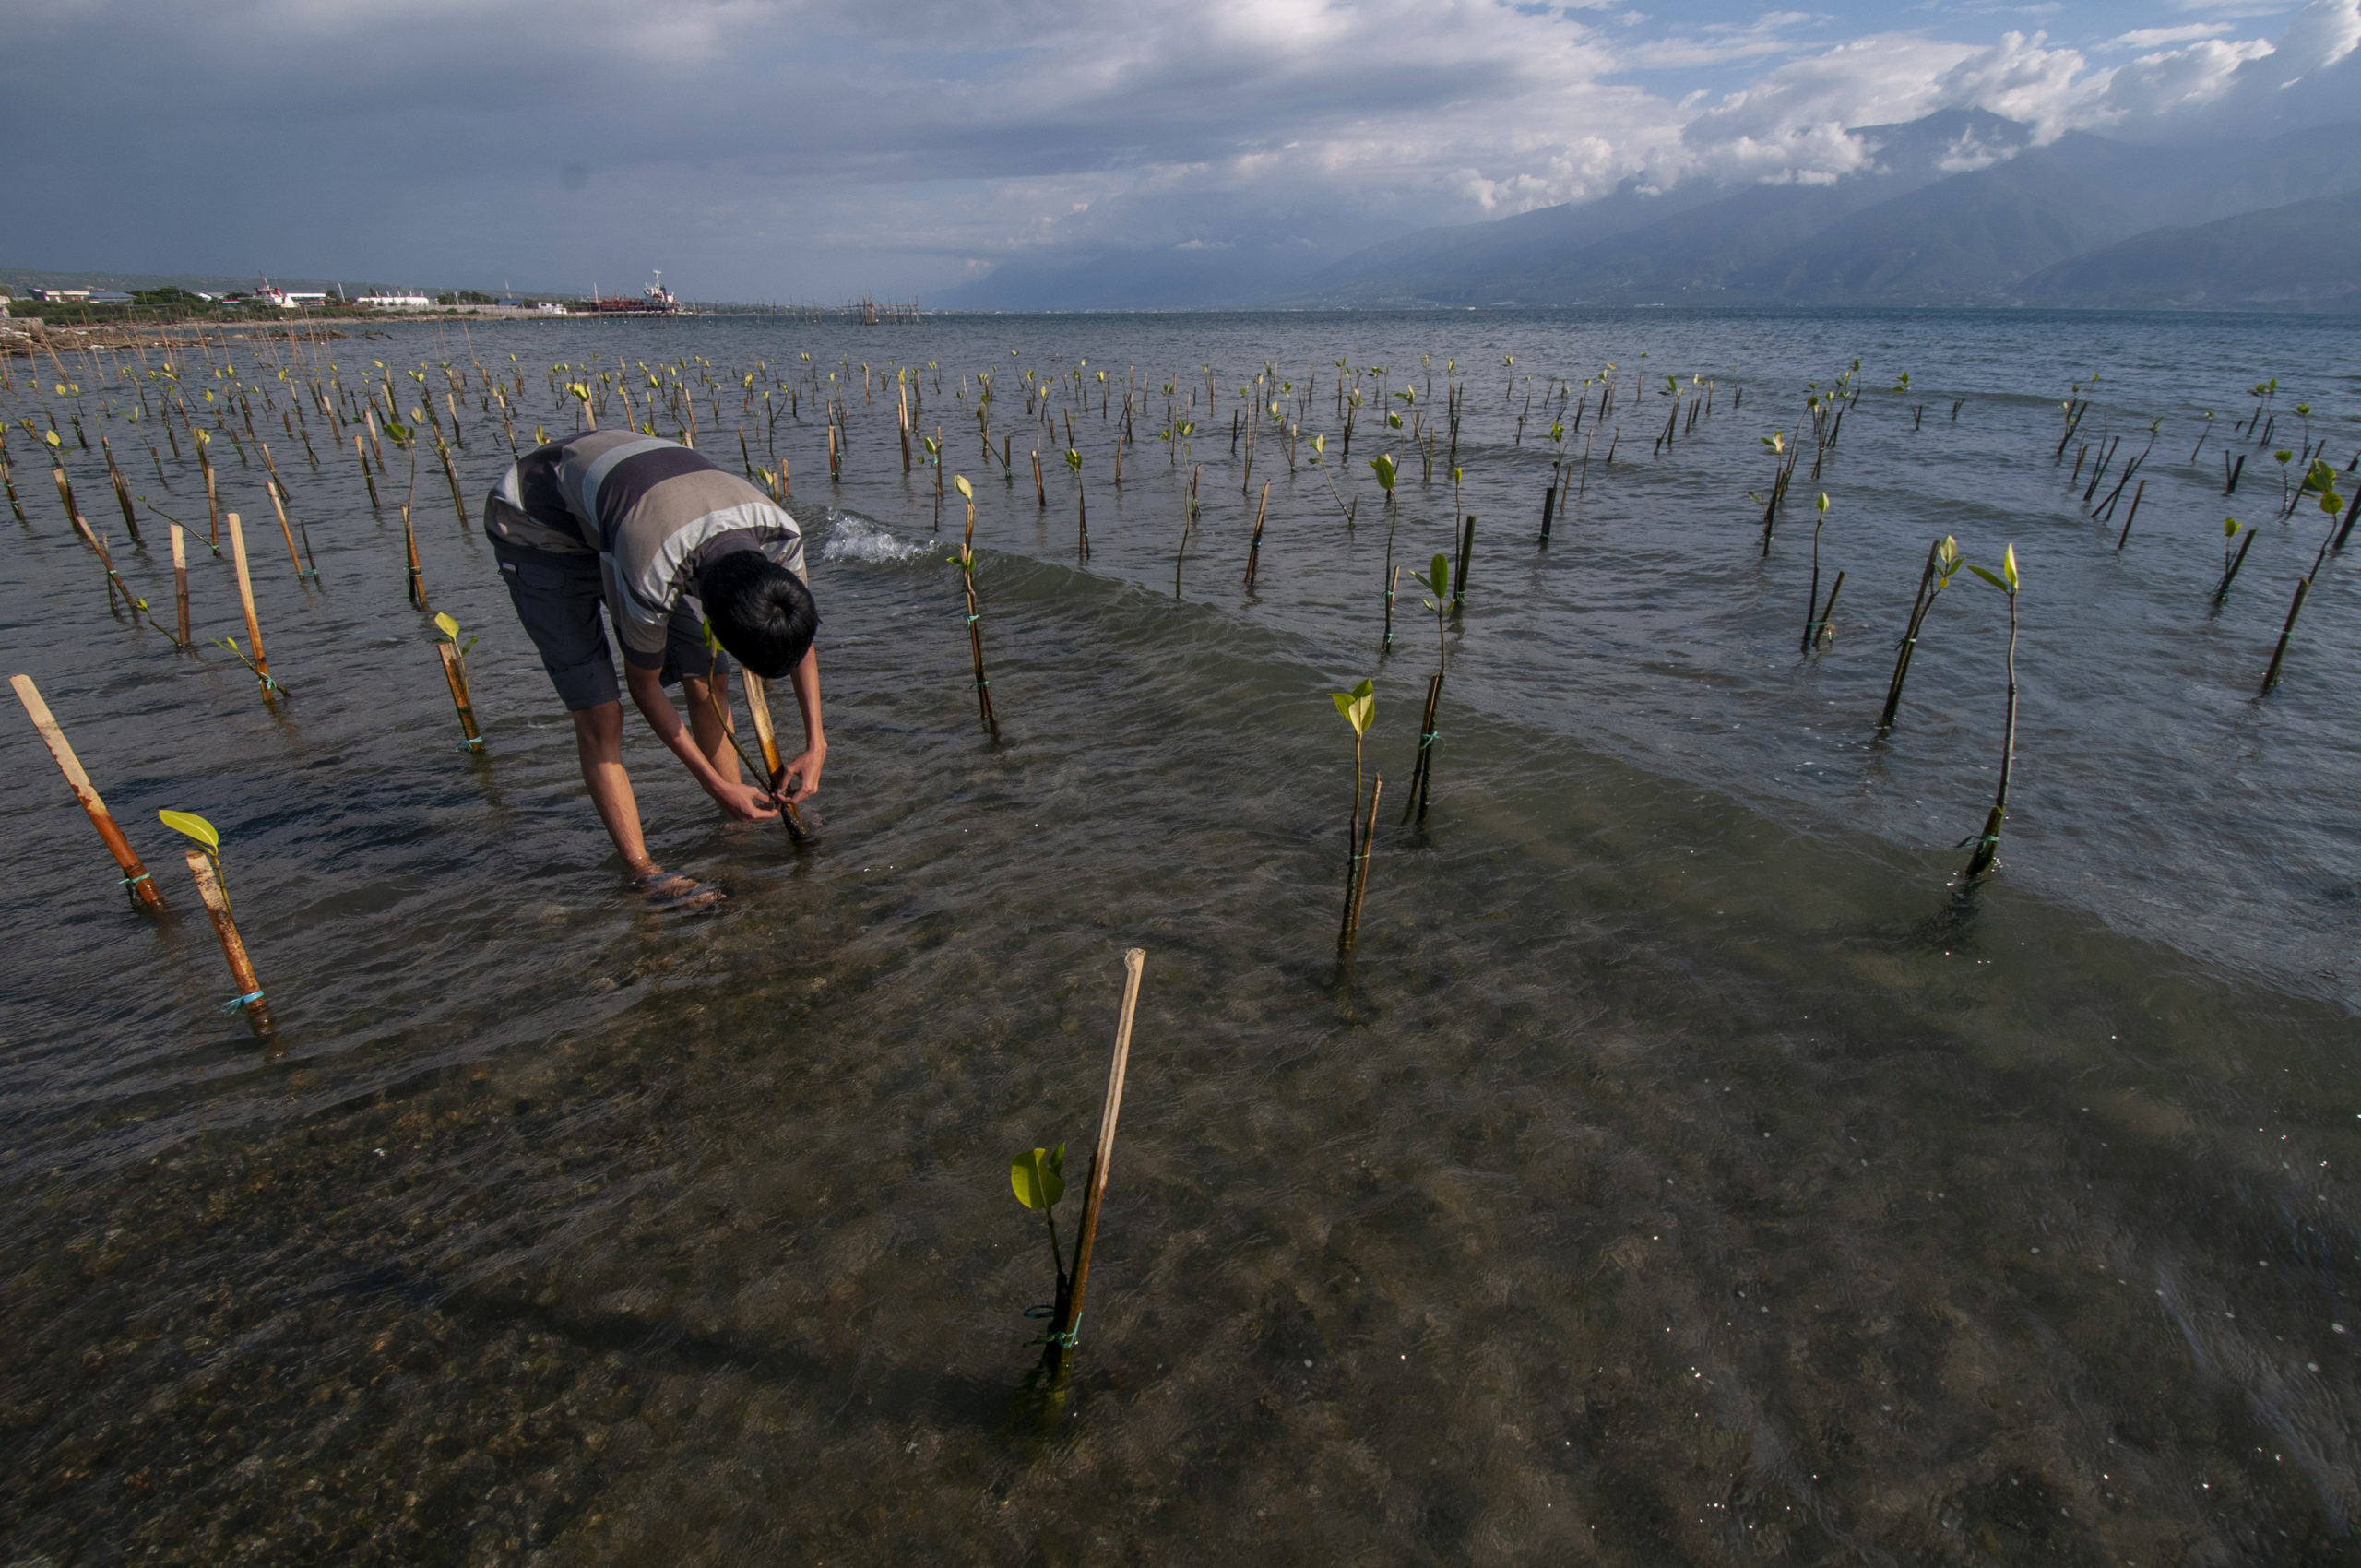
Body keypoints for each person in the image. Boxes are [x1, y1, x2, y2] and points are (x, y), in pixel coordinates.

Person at [483, 428, 824, 901]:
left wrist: (816, 741)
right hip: (538, 525)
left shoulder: (782, 536)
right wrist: (714, 786)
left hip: (632, 511)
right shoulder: (654, 573)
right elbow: (643, 687)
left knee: (709, 678)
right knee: (600, 712)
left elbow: (797, 634)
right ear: (714, 617)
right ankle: (643, 873)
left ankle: (737, 826)